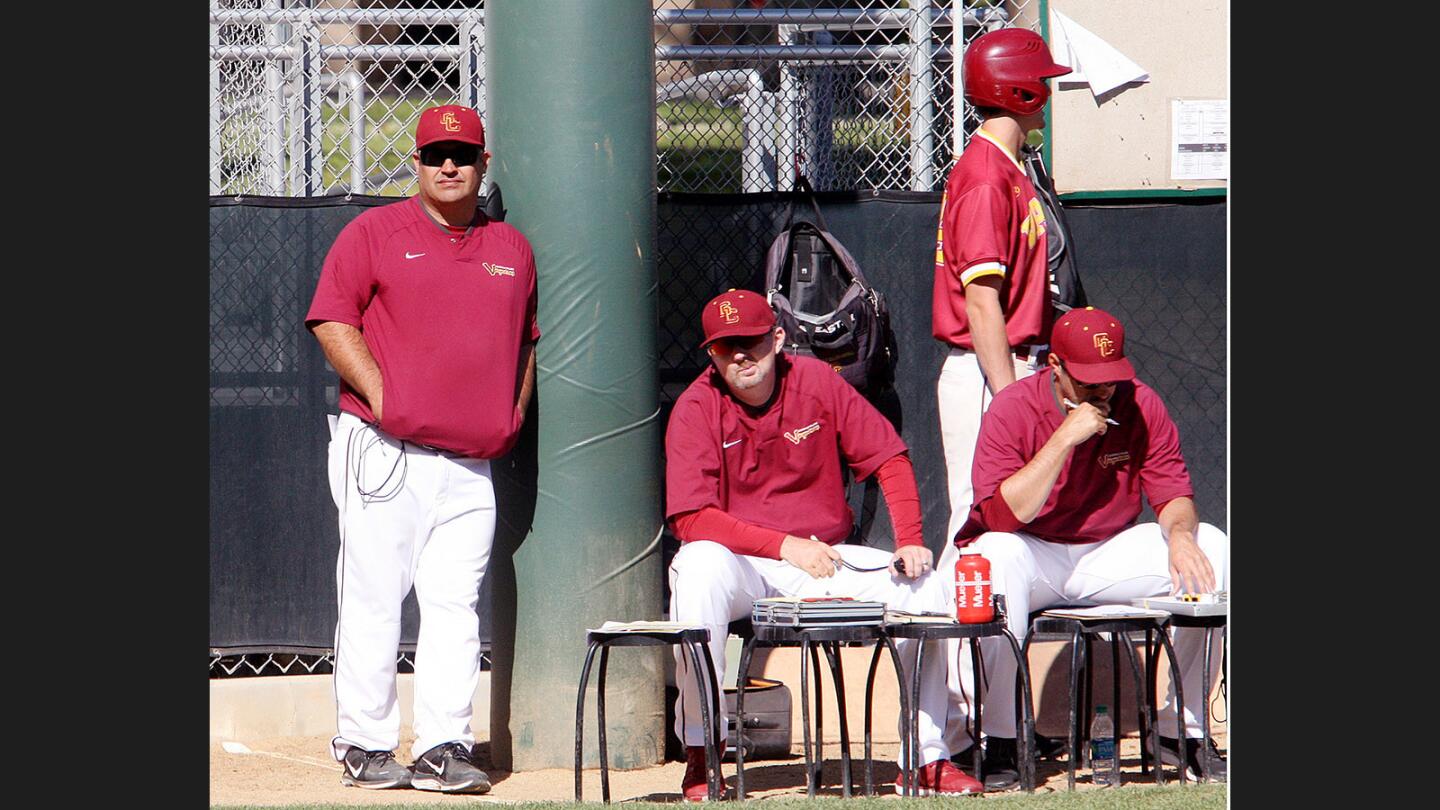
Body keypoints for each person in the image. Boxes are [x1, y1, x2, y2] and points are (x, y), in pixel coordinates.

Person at [664, 289, 983, 800]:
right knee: (698, 568)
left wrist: (911, 541)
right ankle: (704, 756)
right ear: (711, 354)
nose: (741, 355)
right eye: (726, 347)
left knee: (923, 585)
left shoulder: (813, 381)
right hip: (742, 564)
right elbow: (691, 517)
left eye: (751, 341)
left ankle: (924, 757)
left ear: (778, 337)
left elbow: (889, 458)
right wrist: (783, 545)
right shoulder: (696, 406)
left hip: (823, 557)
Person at [304, 104, 540, 794]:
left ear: (482, 164)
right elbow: (331, 319)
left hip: (471, 460)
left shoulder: (512, 249)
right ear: (414, 162)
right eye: (435, 153)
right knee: (375, 597)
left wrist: (512, 411)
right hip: (385, 447)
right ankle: (366, 742)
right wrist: (385, 397)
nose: (448, 165)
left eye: (462, 155)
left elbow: (528, 343)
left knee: (453, 605)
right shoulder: (375, 231)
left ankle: (442, 744)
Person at [957, 306, 1229, 785]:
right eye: (1088, 382)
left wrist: (1181, 533)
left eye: (1110, 379)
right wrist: (1064, 439)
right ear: (1055, 367)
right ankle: (1002, 738)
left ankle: (1177, 730)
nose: (1102, 391)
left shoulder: (1140, 402)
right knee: (994, 555)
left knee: (1215, 546)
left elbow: (1172, 493)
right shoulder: (1014, 407)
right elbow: (999, 517)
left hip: (1107, 554)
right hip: (1032, 552)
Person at [929, 26, 1073, 765]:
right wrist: (1013, 395)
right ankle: (960, 728)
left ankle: (995, 716)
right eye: (1039, 80)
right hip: (991, 368)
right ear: (1020, 90)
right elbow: (982, 303)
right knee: (977, 539)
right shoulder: (986, 175)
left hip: (1007, 367)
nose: (1047, 89)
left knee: (1002, 541)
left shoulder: (1010, 166)